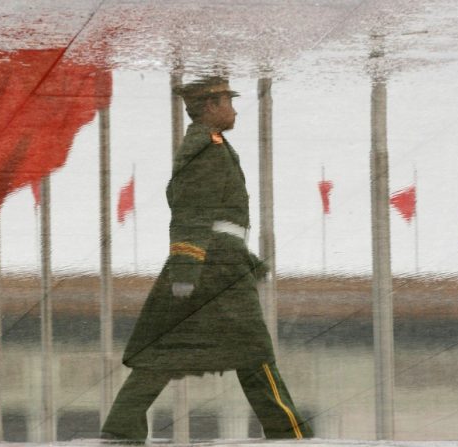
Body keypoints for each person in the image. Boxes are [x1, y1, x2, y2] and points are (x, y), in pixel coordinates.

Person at [100, 76, 313, 442]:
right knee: (253, 348)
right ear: (210, 106)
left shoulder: (211, 145)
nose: (233, 109)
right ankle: (289, 433)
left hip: (214, 261)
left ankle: (121, 426)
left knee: (166, 349)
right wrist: (186, 267)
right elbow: (192, 212)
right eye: (227, 102)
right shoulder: (205, 149)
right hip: (214, 268)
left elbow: (212, 218)